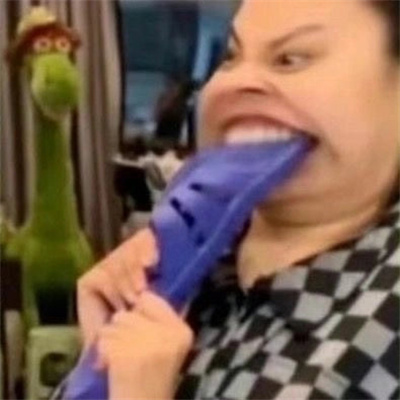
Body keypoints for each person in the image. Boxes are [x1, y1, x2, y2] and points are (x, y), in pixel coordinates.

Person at [58, 0, 399, 398]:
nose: (235, 82)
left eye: (290, 58)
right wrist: (98, 364)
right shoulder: (183, 255)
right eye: (231, 57)